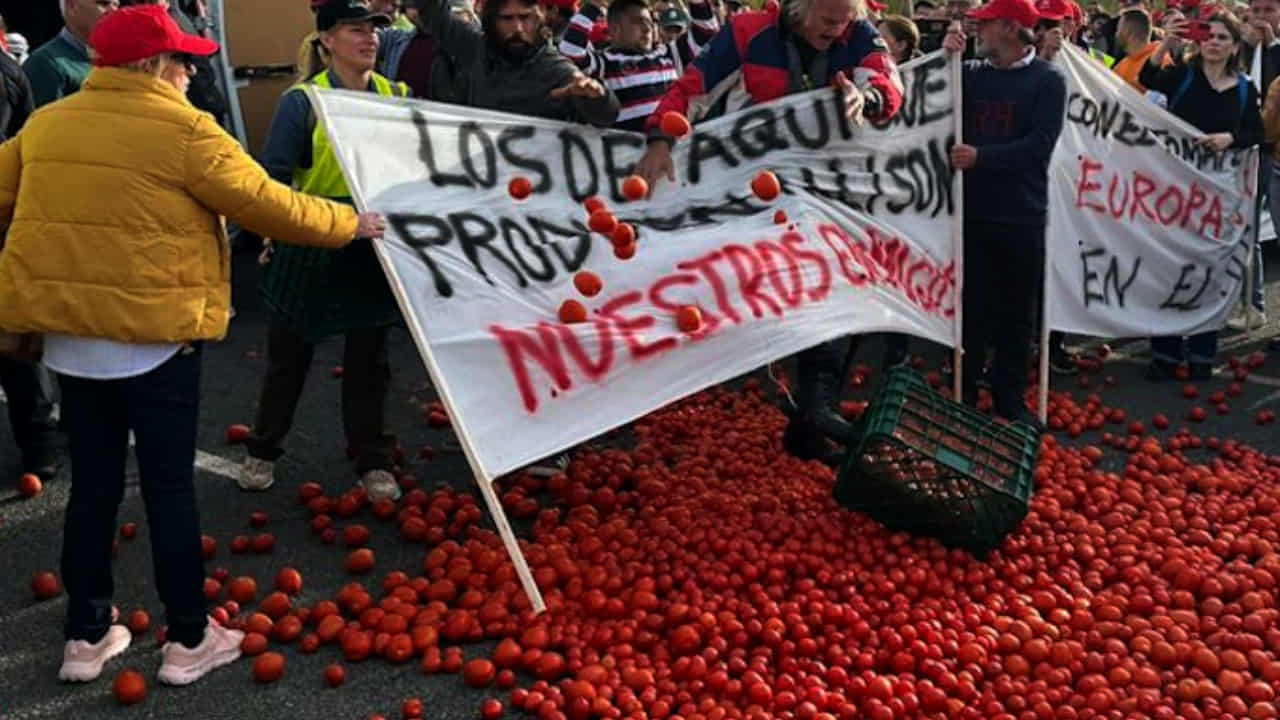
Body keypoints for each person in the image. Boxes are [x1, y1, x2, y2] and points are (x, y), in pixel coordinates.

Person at [0, 4, 378, 687]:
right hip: (155, 341)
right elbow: (267, 203)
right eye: (181, 60)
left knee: (93, 488)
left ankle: (85, 638)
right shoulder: (184, 129)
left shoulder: (45, 125)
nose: (190, 70)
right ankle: (187, 640)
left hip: (70, 344)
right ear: (154, 66)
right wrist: (352, 223)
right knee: (170, 489)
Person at [634, 0, 904, 463]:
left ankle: (813, 414)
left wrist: (870, 97)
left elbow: (888, 82)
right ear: (800, 9)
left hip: (832, 190)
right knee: (810, 290)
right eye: (827, 20)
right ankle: (813, 411)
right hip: (762, 191)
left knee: (846, 293)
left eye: (844, 20)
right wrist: (661, 137)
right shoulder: (747, 34)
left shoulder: (858, 35)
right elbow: (692, 88)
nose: (836, 29)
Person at [241, 0, 410, 501]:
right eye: (354, 29)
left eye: (374, 29)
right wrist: (270, 237)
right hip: (312, 238)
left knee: (370, 361)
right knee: (288, 357)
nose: (369, 38)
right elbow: (272, 178)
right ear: (326, 42)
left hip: (371, 242)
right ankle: (263, 450)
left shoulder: (395, 95)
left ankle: (372, 461)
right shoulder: (302, 102)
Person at [942, 0, 1067, 426]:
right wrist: (946, 56)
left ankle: (1009, 395)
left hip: (1020, 215)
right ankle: (965, 389)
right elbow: (933, 100)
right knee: (971, 309)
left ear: (1012, 29)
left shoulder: (1048, 81)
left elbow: (1038, 149)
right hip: (972, 213)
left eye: (987, 24)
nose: (978, 31)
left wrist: (981, 157)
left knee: (1016, 314)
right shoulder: (970, 74)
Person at [1141, 13, 1262, 380]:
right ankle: (1165, 351)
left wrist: (1231, 139)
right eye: (1208, 35)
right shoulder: (1183, 75)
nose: (1214, 42)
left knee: (1209, 272)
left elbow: (1256, 133)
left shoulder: (1244, 88)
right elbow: (1147, 78)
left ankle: (1202, 351)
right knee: (1169, 268)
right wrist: (1166, 45)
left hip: (1216, 198)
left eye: (1223, 37)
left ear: (1235, 46)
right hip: (1175, 193)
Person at [410, 0, 620, 125]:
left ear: (539, 19)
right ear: (491, 21)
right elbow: (433, 15)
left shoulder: (555, 69)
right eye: (507, 19)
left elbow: (607, 115)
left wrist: (597, 97)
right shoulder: (477, 48)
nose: (518, 28)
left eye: (525, 17)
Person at [560, 0, 719, 131]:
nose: (647, 28)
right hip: (627, 160)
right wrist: (594, 5)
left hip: (673, 154)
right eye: (638, 22)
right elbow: (569, 50)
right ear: (615, 29)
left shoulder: (669, 55)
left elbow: (708, 33)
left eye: (650, 22)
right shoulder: (604, 63)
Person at [25, 0, 119, 107]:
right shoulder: (44, 64)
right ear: (72, 6)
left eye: (116, 5)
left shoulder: (126, 60)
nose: (114, 11)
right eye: (103, 3)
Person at [1112, 8, 1160, 90]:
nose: (1116, 34)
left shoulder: (1160, 61)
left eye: (1118, 29)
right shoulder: (1122, 64)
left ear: (1127, 31)